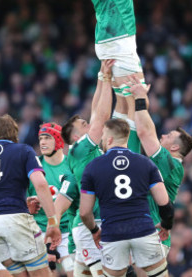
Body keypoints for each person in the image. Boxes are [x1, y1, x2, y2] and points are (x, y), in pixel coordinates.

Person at [79, 118, 174, 277]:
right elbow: (165, 204)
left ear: (109, 139)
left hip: (112, 234)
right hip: (143, 230)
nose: (102, 139)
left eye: (103, 135)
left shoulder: (92, 168)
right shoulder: (146, 163)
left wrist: (95, 231)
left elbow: (84, 212)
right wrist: (166, 224)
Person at [0, 114, 61, 277]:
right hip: (15, 220)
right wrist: (52, 222)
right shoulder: (23, 150)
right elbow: (40, 184)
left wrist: (19, 204)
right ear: (14, 134)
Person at [127, 76, 192, 256]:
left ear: (175, 147)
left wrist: (140, 99)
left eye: (169, 135)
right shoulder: (171, 164)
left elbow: (145, 132)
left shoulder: (168, 161)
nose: (163, 136)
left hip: (153, 231)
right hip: (147, 230)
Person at [62, 60, 114, 277]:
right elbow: (100, 119)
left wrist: (101, 78)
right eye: (84, 125)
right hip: (91, 224)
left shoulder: (84, 149)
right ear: (76, 136)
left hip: (89, 223)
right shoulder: (80, 149)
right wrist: (109, 81)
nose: (89, 125)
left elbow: (95, 112)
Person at [26, 122, 73, 274]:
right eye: (40, 139)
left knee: (74, 272)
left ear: (59, 140)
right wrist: (28, 206)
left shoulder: (72, 165)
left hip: (68, 231)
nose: (42, 142)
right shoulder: (33, 167)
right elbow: (23, 204)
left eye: (47, 138)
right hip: (40, 233)